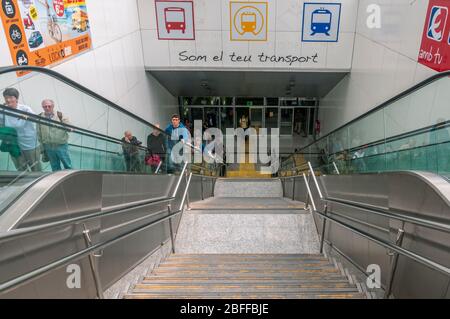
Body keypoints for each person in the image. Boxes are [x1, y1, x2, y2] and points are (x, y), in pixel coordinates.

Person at [1, 88, 41, 171]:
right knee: (21, 169)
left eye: (11, 97)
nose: (8, 100)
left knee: (35, 168)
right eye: (6, 97)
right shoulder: (3, 111)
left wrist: (28, 117)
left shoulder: (25, 109)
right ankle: (26, 183)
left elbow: (36, 118)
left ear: (16, 98)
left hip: (29, 144)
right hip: (14, 145)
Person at [37, 99, 72, 171]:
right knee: (54, 166)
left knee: (67, 165)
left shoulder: (60, 115)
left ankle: (71, 181)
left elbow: (69, 126)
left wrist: (69, 127)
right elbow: (39, 133)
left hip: (61, 145)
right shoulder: (40, 117)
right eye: (45, 106)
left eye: (49, 106)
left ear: (53, 106)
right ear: (42, 107)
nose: (47, 108)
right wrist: (42, 146)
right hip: (48, 146)